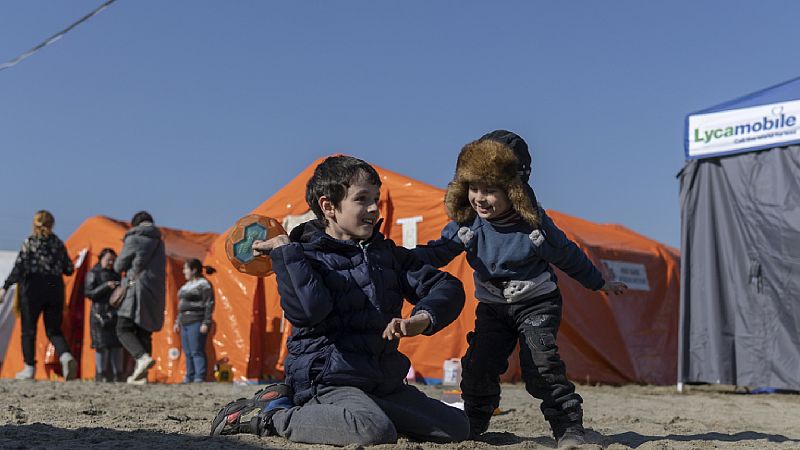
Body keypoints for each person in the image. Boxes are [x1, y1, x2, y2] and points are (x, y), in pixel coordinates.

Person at [210, 155, 470, 445]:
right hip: (326, 382)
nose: (373, 208)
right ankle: (271, 414)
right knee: (373, 431)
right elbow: (309, 311)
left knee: (456, 428)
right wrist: (285, 250)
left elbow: (446, 286)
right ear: (329, 207)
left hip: (382, 382)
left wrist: (423, 319)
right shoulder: (303, 256)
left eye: (375, 198)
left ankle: (366, 411)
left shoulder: (387, 255)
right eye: (361, 199)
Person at [412, 131, 628, 448]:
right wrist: (400, 258)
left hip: (536, 304)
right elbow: (436, 252)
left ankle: (569, 428)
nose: (479, 198)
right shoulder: (467, 225)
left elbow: (568, 255)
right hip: (493, 308)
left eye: (490, 190)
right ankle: (473, 424)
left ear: (513, 190)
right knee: (479, 365)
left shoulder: (535, 227)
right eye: (473, 188)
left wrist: (600, 282)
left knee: (541, 365)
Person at [0, 210, 78, 380]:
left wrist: (5, 287)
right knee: (53, 330)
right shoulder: (57, 243)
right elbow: (69, 269)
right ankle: (65, 356)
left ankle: (29, 368)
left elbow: (19, 268)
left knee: (28, 330)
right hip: (54, 288)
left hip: (32, 288)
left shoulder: (30, 242)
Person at [114, 211, 166, 385]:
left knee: (123, 327)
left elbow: (118, 265)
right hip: (154, 290)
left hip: (135, 288)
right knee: (145, 331)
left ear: (135, 224)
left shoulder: (134, 238)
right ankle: (141, 376)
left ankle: (141, 357)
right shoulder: (160, 241)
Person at [84, 248, 124, 382]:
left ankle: (118, 374)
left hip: (115, 313)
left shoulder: (117, 274)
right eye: (108, 259)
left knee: (116, 345)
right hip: (98, 314)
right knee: (101, 345)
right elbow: (89, 293)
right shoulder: (93, 273)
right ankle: (101, 374)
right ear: (101, 259)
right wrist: (106, 286)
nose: (111, 262)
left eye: (113, 260)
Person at [173, 258, 215, 383]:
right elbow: (181, 305)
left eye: (186, 268)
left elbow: (209, 304)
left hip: (196, 321)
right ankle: (189, 376)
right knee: (188, 352)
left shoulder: (203, 284)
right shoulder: (185, 286)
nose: (183, 271)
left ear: (194, 270)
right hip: (184, 322)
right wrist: (177, 321)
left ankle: (199, 377)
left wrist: (206, 322)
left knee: (197, 350)